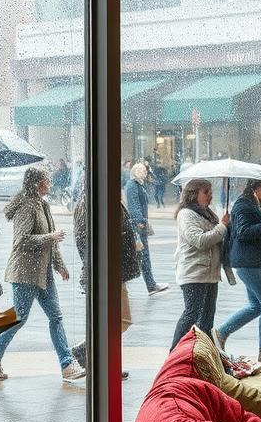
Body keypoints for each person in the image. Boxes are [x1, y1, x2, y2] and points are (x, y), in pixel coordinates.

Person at [0, 168, 84, 382]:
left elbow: (51, 243)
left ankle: (67, 365)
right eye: (46, 180)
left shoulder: (43, 205)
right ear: (37, 183)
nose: (49, 183)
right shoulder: (27, 207)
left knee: (56, 317)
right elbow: (22, 240)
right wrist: (51, 236)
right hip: (25, 273)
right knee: (19, 318)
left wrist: (60, 265)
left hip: (43, 273)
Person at [70, 189, 140, 380]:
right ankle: (88, 350)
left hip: (116, 270)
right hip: (106, 271)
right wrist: (101, 263)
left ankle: (101, 359)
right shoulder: (90, 202)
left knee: (118, 319)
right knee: (118, 319)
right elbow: (83, 239)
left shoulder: (109, 198)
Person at [214, 178, 261, 362]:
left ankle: (221, 332)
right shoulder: (243, 205)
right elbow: (243, 233)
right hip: (248, 263)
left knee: (256, 306)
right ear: (256, 188)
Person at [170, 178, 229, 349]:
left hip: (211, 274)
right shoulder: (186, 214)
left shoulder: (208, 213)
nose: (210, 195)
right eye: (206, 192)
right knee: (191, 315)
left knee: (207, 321)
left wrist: (225, 226)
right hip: (194, 273)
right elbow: (199, 241)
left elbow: (217, 238)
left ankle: (205, 357)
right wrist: (222, 227)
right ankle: (173, 353)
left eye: (211, 191)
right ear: (193, 194)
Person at [124, 161, 168, 296]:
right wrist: (140, 221)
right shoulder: (132, 185)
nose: (145, 172)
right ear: (135, 172)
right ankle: (149, 285)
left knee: (139, 256)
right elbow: (133, 204)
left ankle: (149, 285)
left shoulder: (139, 185)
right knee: (141, 256)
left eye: (145, 170)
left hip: (139, 225)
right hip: (137, 226)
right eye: (142, 170)